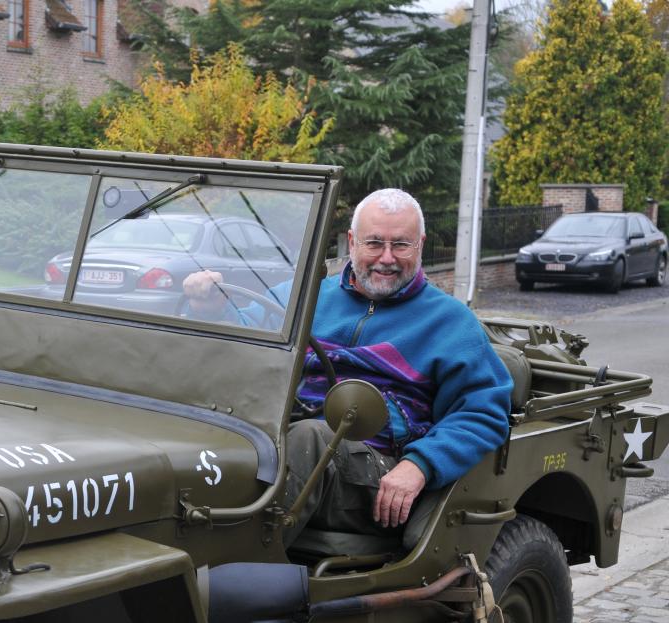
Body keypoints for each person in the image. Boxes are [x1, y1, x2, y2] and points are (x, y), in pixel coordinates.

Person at [183, 188, 513, 547]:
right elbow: (245, 338)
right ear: (352, 242)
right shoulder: (304, 298)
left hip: (378, 471)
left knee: (311, 437)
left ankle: (232, 567)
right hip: (280, 439)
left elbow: (484, 410)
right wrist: (209, 308)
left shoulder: (451, 323)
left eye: (401, 245)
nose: (386, 258)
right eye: (374, 243)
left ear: (420, 245)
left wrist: (420, 465)